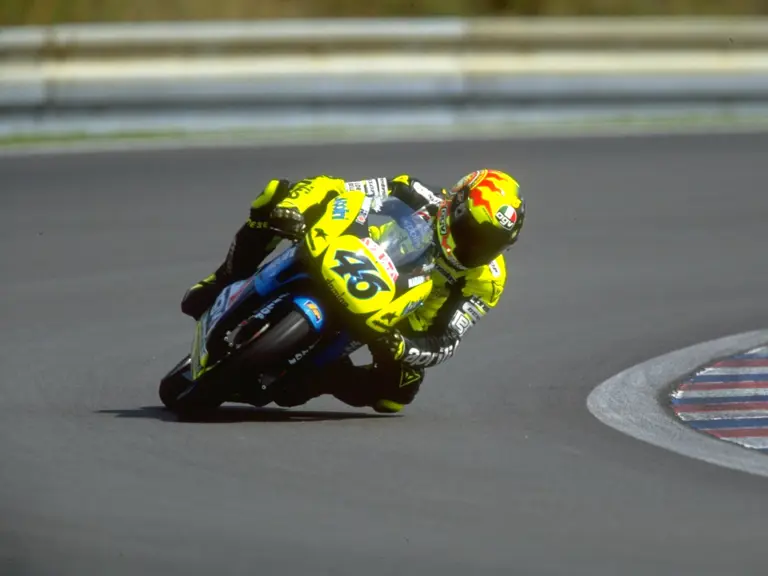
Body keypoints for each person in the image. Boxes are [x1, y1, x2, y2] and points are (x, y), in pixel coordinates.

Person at [180, 170, 526, 413]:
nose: (476, 246)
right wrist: (298, 209)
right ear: (456, 204)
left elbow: (449, 337)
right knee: (274, 195)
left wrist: (406, 346)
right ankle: (222, 279)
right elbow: (342, 190)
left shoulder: (487, 279)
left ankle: (323, 375)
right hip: (357, 260)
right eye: (472, 231)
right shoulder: (413, 191)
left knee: (398, 394)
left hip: (397, 323)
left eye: (491, 244)